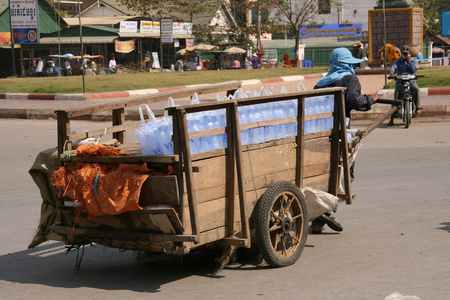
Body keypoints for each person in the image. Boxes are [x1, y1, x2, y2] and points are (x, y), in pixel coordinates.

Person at [312, 47, 379, 234]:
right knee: (345, 173)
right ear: (347, 64)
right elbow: (354, 100)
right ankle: (325, 211)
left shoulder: (321, 83)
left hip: (317, 133)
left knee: (320, 172)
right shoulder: (350, 79)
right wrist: (371, 99)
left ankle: (318, 220)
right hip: (340, 133)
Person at [388, 45, 422, 125]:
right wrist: (392, 73)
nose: (405, 55)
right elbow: (394, 66)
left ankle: (418, 108)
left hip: (411, 81)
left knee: (416, 89)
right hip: (400, 82)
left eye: (407, 53)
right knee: (395, 98)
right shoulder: (398, 61)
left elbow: (414, 70)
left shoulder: (413, 61)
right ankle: (392, 118)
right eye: (404, 53)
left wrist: (408, 60)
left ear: (409, 53)